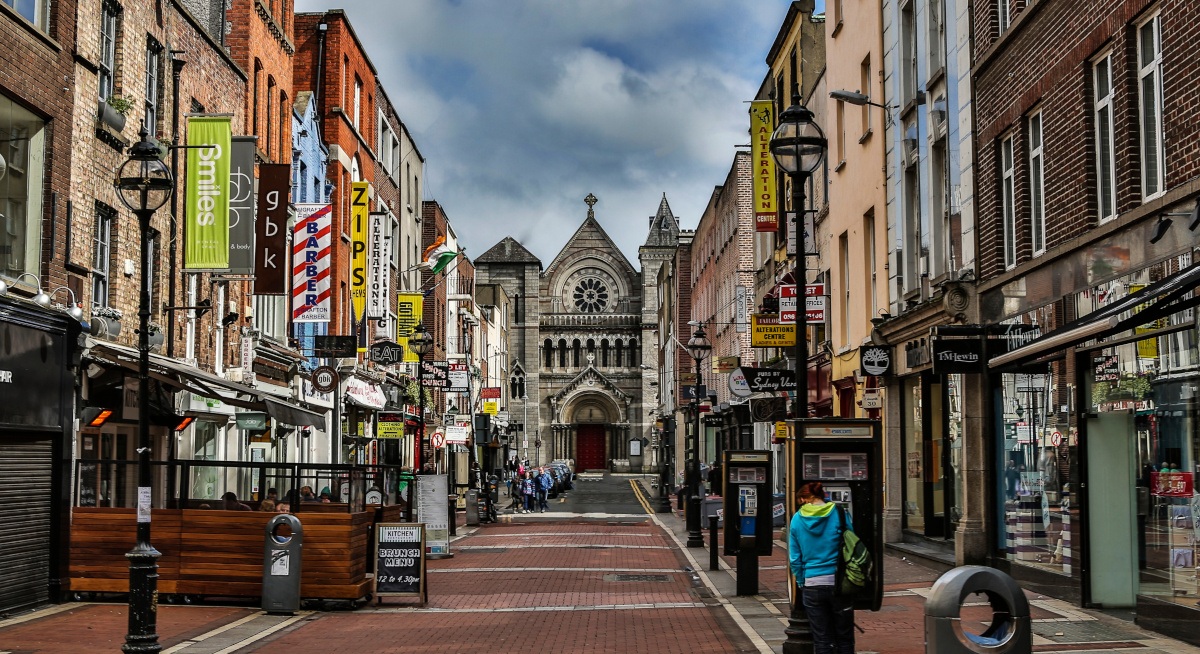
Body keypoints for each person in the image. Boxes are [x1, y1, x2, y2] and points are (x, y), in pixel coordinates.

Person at [788, 481, 855, 654]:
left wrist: (802, 581)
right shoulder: (839, 513)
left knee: (822, 638)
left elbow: (795, 558)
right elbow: (852, 543)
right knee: (845, 637)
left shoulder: (796, 519)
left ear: (804, 498)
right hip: (838, 581)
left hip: (812, 583)